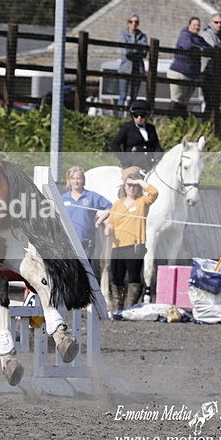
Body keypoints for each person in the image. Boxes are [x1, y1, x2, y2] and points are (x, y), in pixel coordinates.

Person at [103, 171, 158, 312]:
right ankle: (117, 307)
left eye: (134, 185)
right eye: (129, 185)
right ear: (124, 186)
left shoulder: (142, 202)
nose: (132, 188)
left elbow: (154, 192)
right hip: (118, 245)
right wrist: (108, 228)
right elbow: (111, 222)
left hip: (135, 246)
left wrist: (139, 181)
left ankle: (130, 307)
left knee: (134, 277)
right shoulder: (117, 204)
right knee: (116, 277)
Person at [60, 166, 112, 264]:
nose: (76, 181)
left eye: (78, 178)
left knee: (85, 271)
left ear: (83, 180)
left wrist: (99, 221)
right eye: (73, 178)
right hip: (68, 243)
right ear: (69, 180)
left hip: (86, 243)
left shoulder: (91, 196)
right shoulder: (63, 199)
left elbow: (111, 207)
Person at [167, 17, 213, 117]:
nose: (196, 27)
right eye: (194, 25)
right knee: (176, 100)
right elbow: (187, 46)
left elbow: (210, 49)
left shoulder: (198, 39)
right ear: (189, 25)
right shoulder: (185, 34)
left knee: (184, 102)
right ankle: (171, 122)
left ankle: (180, 124)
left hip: (192, 74)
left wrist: (201, 49)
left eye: (198, 25)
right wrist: (200, 49)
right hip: (180, 72)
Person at [109, 99, 163, 173]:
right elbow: (114, 144)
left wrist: (158, 158)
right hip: (132, 165)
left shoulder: (151, 128)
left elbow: (156, 146)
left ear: (147, 116)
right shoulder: (127, 127)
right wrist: (125, 161)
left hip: (149, 165)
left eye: (142, 116)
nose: (139, 118)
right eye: (136, 115)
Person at [117, 14, 148, 114]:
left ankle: (132, 116)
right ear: (128, 23)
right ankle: (119, 116)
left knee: (134, 96)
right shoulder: (123, 35)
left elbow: (144, 52)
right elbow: (125, 52)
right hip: (125, 69)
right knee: (123, 95)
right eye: (131, 21)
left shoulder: (143, 36)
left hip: (137, 69)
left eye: (136, 22)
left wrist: (133, 50)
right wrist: (137, 50)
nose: (134, 24)